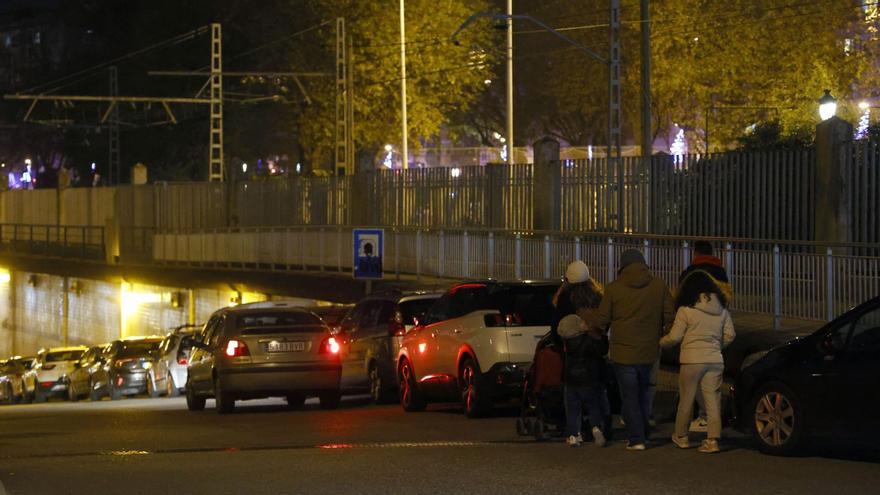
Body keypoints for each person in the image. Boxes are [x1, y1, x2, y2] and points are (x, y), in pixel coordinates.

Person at [583, 249, 674, 451]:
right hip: (649, 351)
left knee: (630, 396)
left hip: (623, 353)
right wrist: (663, 334)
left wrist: (594, 331)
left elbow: (603, 319)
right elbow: (670, 315)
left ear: (622, 266)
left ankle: (637, 439)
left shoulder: (614, 289)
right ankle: (645, 435)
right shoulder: (659, 286)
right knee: (643, 394)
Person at [661, 270, 736, 454]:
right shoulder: (722, 311)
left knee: (686, 398)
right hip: (714, 360)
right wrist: (716, 346)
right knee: (712, 400)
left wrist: (661, 342)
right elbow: (730, 335)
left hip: (691, 361)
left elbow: (675, 337)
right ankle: (712, 440)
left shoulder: (685, 311)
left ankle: (681, 436)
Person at [678, 241, 731, 433]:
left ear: (695, 253)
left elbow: (681, 299)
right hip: (715, 331)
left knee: (692, 386)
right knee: (712, 386)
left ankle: (695, 423)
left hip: (694, 332)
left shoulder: (690, 273)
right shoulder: (721, 273)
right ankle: (712, 429)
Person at [558, 314, 610, 448]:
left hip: (571, 380)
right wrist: (602, 337)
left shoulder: (566, 345)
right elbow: (601, 351)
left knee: (573, 409)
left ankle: (574, 435)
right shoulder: (588, 341)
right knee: (593, 405)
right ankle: (596, 428)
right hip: (588, 379)